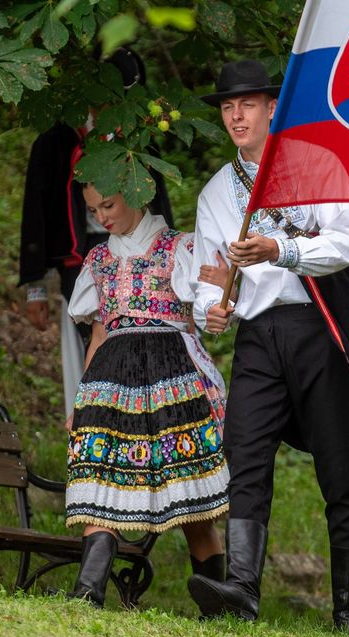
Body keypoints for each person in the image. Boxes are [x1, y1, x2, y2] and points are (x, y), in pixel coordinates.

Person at [185, 59, 349, 632]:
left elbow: (345, 243)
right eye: (226, 107)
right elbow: (205, 274)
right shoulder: (217, 191)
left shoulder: (317, 163)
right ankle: (242, 588)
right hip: (260, 336)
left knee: (340, 466)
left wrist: (279, 250)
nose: (235, 115)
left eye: (247, 104)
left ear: (271, 109)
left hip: (321, 326)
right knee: (246, 451)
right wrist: (208, 309)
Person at [64, 182, 229, 607]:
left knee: (193, 498)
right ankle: (87, 595)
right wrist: (82, 400)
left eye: (108, 205)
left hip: (171, 374)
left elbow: (200, 315)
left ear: (136, 194)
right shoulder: (99, 258)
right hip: (110, 378)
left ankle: (217, 605)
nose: (101, 217)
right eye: (93, 210)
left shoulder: (181, 247)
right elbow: (99, 331)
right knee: (101, 481)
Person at [19, 47, 174, 417]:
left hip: (141, 253)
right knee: (95, 336)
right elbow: (35, 215)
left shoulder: (136, 139)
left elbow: (156, 202)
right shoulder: (56, 141)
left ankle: (138, 419)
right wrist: (35, 287)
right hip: (80, 255)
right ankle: (95, 421)